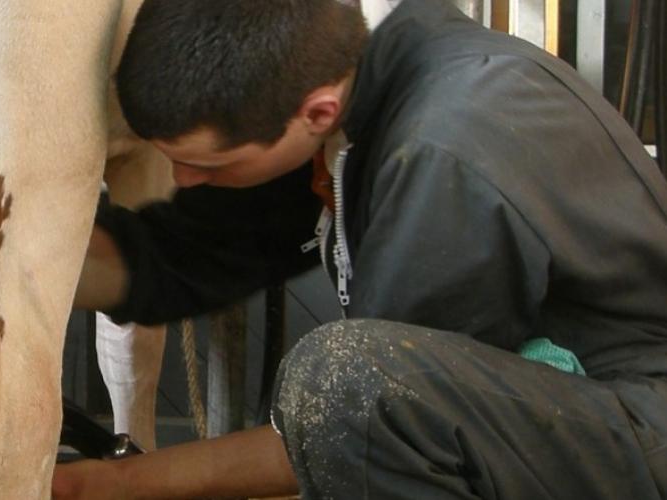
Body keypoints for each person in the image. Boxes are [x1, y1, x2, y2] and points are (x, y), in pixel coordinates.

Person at [56, 0, 667, 498]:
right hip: (565, 417)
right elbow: (187, 254)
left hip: (638, 429)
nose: (185, 181)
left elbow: (372, 414)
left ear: (316, 113)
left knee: (340, 377)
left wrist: (114, 483)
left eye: (201, 165)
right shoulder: (347, 93)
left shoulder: (441, 152)